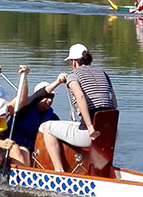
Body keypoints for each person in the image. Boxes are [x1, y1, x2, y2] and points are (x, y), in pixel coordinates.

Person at [39, 44, 117, 173]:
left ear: (74, 61)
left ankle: (59, 171)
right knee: (72, 125)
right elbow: (114, 103)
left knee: (47, 127)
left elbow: (80, 96)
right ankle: (99, 169)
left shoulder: (73, 75)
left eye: (70, 61)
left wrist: (90, 127)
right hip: (110, 134)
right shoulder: (103, 73)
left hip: (91, 135)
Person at [12, 75, 65, 151]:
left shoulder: (54, 118)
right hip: (18, 147)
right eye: (46, 96)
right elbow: (35, 98)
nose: (50, 100)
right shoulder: (24, 110)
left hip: (38, 150)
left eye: (52, 96)